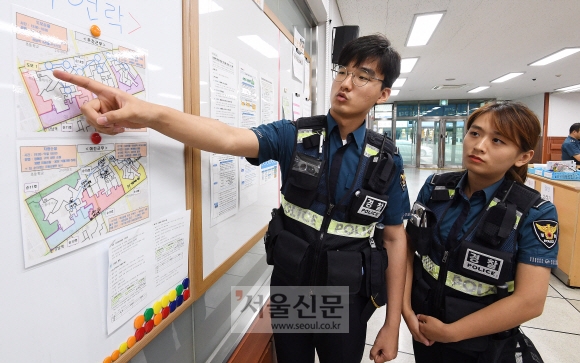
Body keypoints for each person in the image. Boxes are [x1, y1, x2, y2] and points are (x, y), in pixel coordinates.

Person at [54, 34, 410, 363]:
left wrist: (392, 324)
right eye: (342, 71)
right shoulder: (295, 135)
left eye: (362, 76)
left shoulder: (387, 161)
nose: (346, 83)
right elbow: (224, 137)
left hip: (346, 297)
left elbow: (395, 239)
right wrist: (148, 113)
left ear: (383, 93)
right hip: (293, 287)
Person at [402, 101, 558, 362]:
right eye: (475, 133)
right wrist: (405, 309)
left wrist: (452, 333)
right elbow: (408, 248)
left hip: (482, 343)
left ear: (523, 156)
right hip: (424, 325)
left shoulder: (535, 212)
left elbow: (530, 301)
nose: (479, 145)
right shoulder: (436, 188)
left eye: (498, 140)